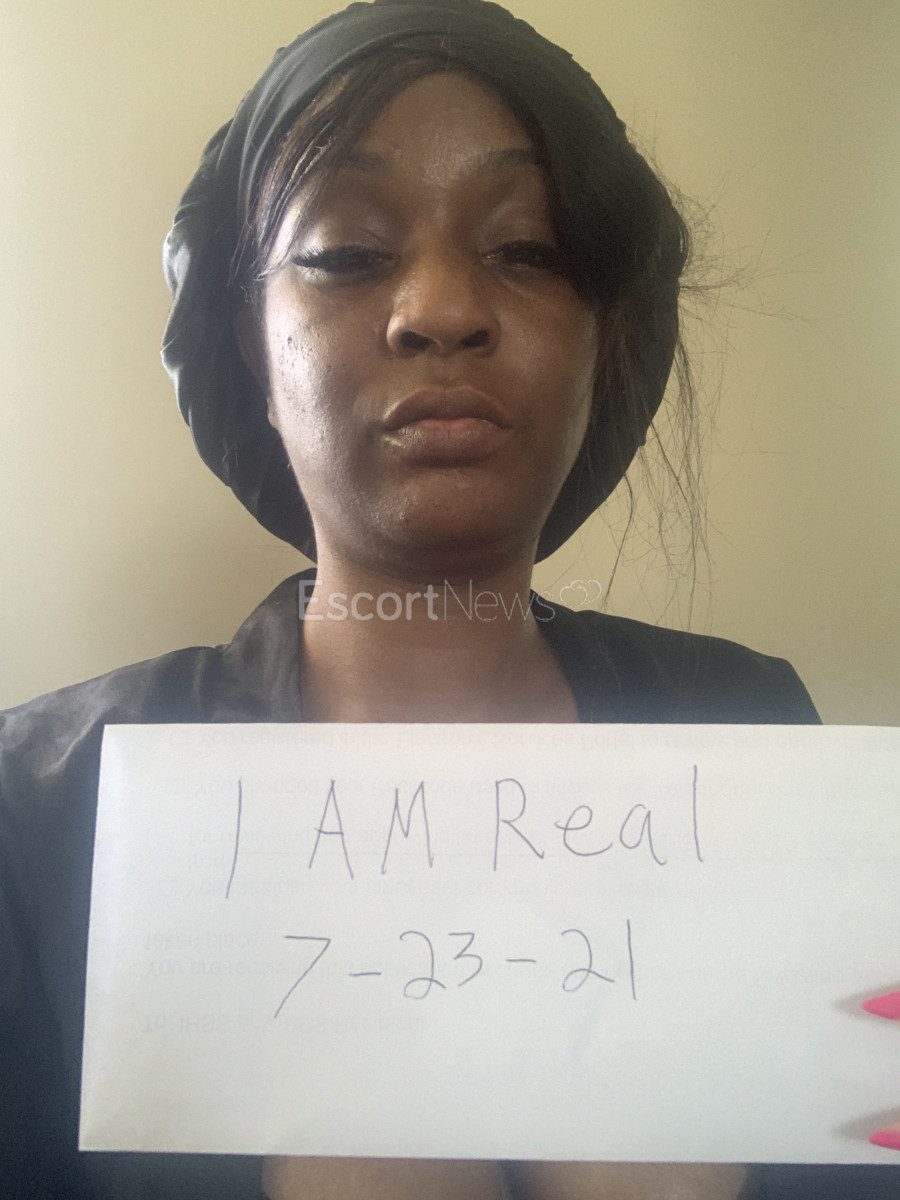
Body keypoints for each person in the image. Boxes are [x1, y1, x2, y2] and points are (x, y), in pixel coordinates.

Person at [1, 1, 897, 1197]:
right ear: (249, 347)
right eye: (344, 253)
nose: (439, 308)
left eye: (528, 249)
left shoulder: (755, 730)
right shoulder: (40, 806)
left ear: (606, 344)